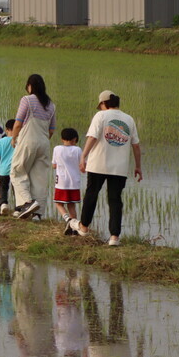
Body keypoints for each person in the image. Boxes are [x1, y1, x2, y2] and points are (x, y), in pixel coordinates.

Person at [74, 91, 142, 246]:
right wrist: (138, 166)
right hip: (120, 167)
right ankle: (114, 237)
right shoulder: (129, 119)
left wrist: (83, 156)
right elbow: (136, 145)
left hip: (98, 163)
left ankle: (84, 228)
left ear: (104, 103)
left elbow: (92, 137)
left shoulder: (101, 116)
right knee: (115, 200)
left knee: (91, 194)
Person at [8, 73, 56, 220]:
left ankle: (28, 202)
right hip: (44, 142)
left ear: (30, 86)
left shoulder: (27, 100)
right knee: (39, 177)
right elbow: (52, 129)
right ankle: (37, 213)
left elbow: (18, 123)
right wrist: (43, 140)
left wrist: (14, 138)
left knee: (17, 171)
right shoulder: (51, 105)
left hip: (28, 140)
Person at [52, 128, 83, 233]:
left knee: (58, 203)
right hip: (74, 182)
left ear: (62, 139)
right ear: (75, 139)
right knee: (71, 205)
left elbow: (54, 165)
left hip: (61, 182)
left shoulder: (57, 149)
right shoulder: (78, 150)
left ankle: (67, 219)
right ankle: (74, 228)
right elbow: (82, 165)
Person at [0, 119, 17, 215]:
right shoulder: (19, 141)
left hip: (3, 170)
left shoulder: (1, 142)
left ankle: (3, 204)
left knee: (3, 187)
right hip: (16, 169)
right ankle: (18, 209)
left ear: (7, 129)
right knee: (16, 189)